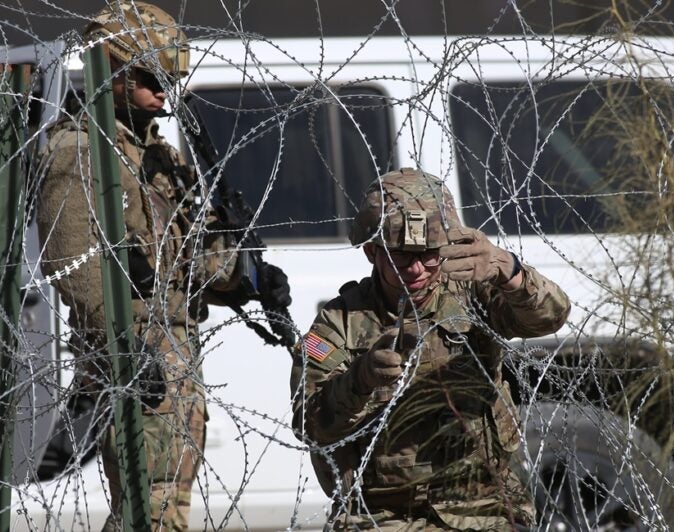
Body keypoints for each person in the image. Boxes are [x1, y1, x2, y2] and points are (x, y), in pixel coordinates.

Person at [35, 3, 290, 530]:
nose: (163, 93)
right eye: (151, 78)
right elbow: (74, 269)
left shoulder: (160, 157)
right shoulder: (80, 151)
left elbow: (188, 259)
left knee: (162, 504)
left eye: (171, 79)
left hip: (175, 354)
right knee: (151, 509)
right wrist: (120, 347)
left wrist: (245, 275)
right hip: (134, 357)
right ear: (114, 73)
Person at [291, 168, 570, 530]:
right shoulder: (339, 321)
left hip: (482, 502)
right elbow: (309, 424)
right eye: (402, 257)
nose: (418, 270)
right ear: (372, 252)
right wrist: (360, 379)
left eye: (430, 254)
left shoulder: (472, 292)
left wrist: (509, 270)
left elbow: (550, 317)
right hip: (382, 512)